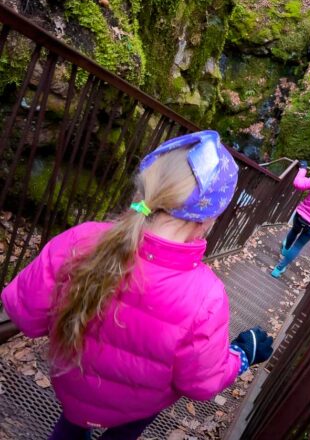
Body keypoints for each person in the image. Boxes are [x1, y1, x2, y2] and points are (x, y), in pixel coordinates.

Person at [1, 131, 273, 440]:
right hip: (138, 404)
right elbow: (199, 382)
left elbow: (25, 315)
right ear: (208, 219)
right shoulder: (205, 297)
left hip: (72, 381)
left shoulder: (81, 239)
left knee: (71, 425)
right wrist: (241, 356)